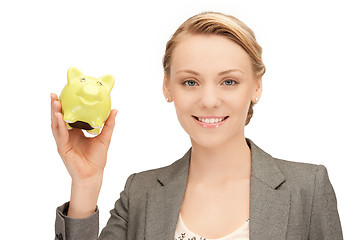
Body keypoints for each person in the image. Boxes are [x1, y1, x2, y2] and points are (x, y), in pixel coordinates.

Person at [51, 11, 343, 240]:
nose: (209, 100)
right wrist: (85, 185)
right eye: (190, 82)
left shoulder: (308, 188)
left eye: (229, 81)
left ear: (256, 87)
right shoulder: (140, 192)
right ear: (167, 88)